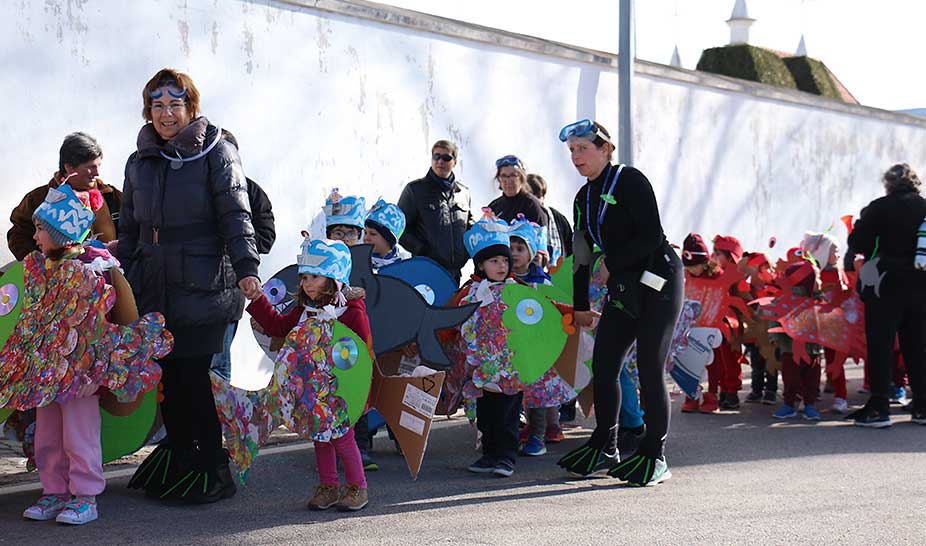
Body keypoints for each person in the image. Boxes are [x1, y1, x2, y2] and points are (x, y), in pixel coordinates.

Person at [121, 68, 260, 503]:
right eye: (157, 105)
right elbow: (129, 225)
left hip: (205, 285)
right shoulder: (139, 160)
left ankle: (210, 467)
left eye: (175, 104)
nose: (166, 113)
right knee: (172, 379)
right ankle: (181, 455)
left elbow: (237, 215)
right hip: (157, 286)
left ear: (191, 107)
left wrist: (247, 266)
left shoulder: (217, 152)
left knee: (196, 378)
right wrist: (121, 274)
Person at [17, 184, 168, 524]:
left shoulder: (94, 270)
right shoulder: (41, 269)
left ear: (61, 233)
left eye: (41, 228)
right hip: (46, 371)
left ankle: (85, 496)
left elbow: (108, 322)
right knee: (47, 435)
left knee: (79, 434)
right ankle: (53, 491)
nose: (35, 234)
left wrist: (97, 367)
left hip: (81, 373)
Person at [556, 119, 683, 486]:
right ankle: (606, 444)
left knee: (648, 367)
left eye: (582, 148)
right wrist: (581, 305)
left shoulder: (629, 180)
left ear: (605, 149)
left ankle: (653, 453)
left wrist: (612, 262)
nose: (576, 156)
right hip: (625, 288)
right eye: (571, 151)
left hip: (660, 282)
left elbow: (651, 236)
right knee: (604, 364)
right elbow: (581, 254)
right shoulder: (583, 197)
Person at [244, 235, 371, 511]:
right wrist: (257, 299)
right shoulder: (305, 310)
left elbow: (364, 359)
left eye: (315, 276)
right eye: (304, 277)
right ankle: (328, 486)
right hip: (312, 390)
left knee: (342, 438)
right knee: (320, 436)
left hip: (341, 392)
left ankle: (357, 487)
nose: (307, 283)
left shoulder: (351, 314)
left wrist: (362, 398)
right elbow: (278, 328)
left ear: (334, 278)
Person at [847, 163, 926, 427]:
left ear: (888, 184)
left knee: (881, 343)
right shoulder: (924, 207)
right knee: (917, 345)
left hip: (885, 283)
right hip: (920, 284)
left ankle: (880, 406)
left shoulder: (879, 207)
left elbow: (859, 244)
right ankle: (922, 406)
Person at [455, 211, 521, 477]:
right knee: (487, 411)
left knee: (508, 411)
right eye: (494, 260)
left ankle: (506, 456)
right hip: (482, 364)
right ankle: (489, 454)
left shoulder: (517, 290)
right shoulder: (471, 292)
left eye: (505, 260)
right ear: (481, 265)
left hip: (510, 364)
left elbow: (537, 314)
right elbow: (457, 316)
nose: (502, 266)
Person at [509, 216, 575, 457]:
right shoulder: (505, 282)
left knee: (538, 392)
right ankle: (537, 428)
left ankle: (538, 436)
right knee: (524, 391)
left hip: (539, 349)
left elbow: (554, 309)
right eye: (510, 248)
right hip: (515, 346)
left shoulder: (540, 282)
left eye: (520, 249)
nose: (514, 254)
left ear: (532, 253)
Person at [8, 132, 121, 261]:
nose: (97, 173)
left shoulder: (112, 196)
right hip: (60, 277)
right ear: (69, 167)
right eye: (90, 167)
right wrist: (43, 264)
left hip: (109, 274)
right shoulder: (39, 199)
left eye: (99, 165)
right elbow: (17, 236)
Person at [398, 140, 473, 282]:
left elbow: (470, 228)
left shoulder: (463, 193)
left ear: (455, 162)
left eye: (446, 158)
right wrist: (421, 250)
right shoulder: (415, 190)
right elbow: (400, 228)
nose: (440, 161)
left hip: (454, 273)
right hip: (425, 270)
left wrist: (465, 254)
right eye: (436, 156)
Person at [801, 231, 850, 414]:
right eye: (834, 250)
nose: (838, 255)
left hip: (833, 325)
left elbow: (847, 297)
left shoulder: (839, 273)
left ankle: (841, 397)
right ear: (821, 252)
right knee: (809, 361)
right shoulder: (807, 273)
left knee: (835, 360)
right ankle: (808, 396)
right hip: (811, 324)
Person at [771, 261, 825, 421]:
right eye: (817, 279)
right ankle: (789, 404)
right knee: (790, 378)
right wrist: (774, 337)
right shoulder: (785, 300)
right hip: (790, 349)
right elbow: (775, 317)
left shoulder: (818, 300)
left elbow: (827, 319)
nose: (820, 282)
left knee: (812, 379)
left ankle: (810, 405)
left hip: (813, 350)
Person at [680, 233, 724, 413]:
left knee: (712, 363)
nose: (692, 270)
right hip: (691, 326)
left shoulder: (718, 277)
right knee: (689, 361)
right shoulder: (685, 276)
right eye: (688, 267)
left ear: (705, 261)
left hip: (712, 327)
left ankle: (712, 395)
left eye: (695, 266)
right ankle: (691, 396)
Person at [487, 155, 548, 227]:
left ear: (522, 178)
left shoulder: (532, 205)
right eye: (504, 176)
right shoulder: (494, 207)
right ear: (499, 179)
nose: (509, 181)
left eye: (513, 175)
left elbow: (541, 235)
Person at [526, 172, 573, 264]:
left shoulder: (558, 218)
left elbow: (569, 248)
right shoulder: (518, 218)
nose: (535, 201)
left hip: (558, 271)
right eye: (530, 196)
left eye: (538, 196)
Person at [364, 198, 411, 269]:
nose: (366, 238)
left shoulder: (402, 267)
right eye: (365, 233)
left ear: (388, 239)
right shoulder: (356, 261)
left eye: (373, 234)